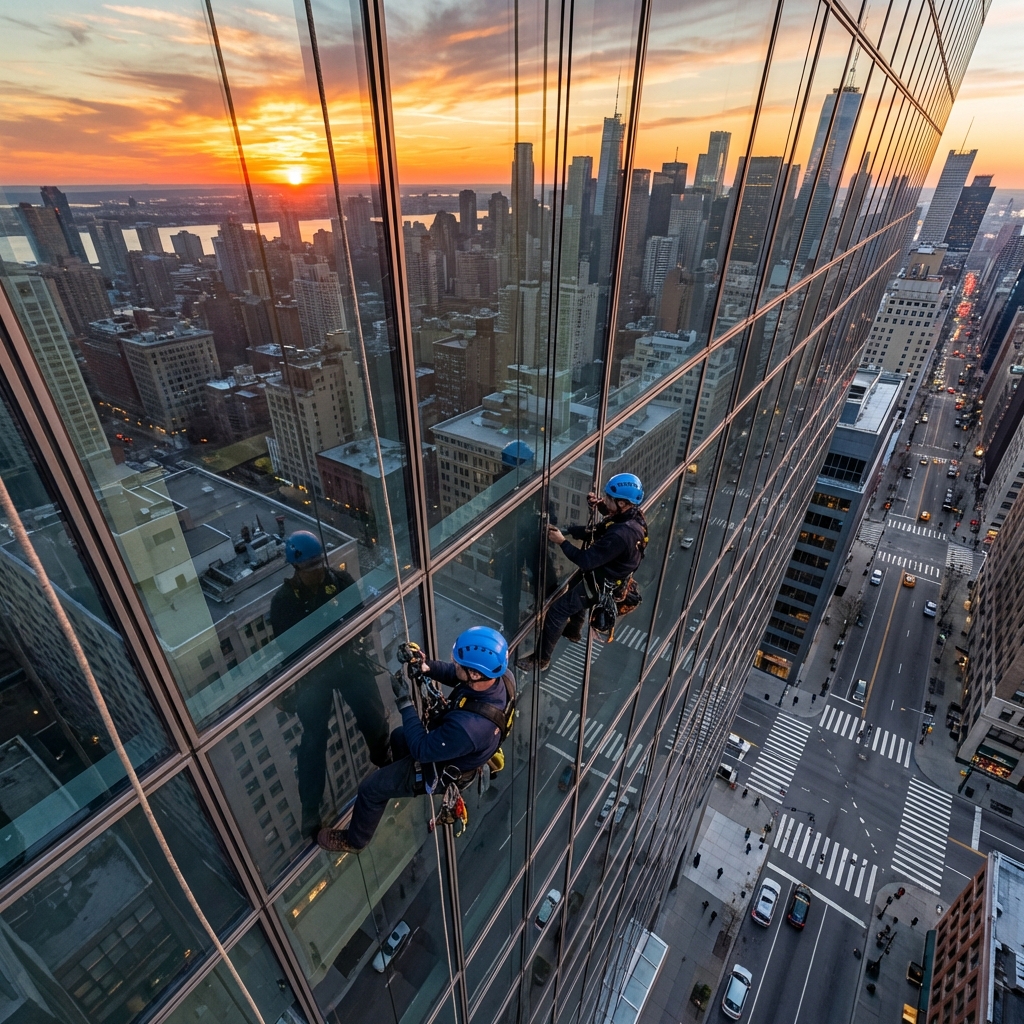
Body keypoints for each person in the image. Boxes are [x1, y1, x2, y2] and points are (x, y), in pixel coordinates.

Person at [317, 626, 515, 853]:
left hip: (438, 768)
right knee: (399, 737)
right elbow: (455, 675)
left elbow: (422, 749)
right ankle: (394, 776)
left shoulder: (471, 727)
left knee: (371, 789)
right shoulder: (500, 677)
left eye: (459, 663)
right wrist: (426, 666)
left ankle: (355, 841)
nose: (454, 663)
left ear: (476, 674)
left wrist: (404, 702)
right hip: (449, 744)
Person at [270, 530, 391, 837]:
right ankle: (310, 809)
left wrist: (359, 629)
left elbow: (362, 621)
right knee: (313, 739)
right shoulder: (284, 602)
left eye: (319, 563)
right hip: (315, 672)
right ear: (295, 568)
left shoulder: (339, 582)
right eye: (310, 567)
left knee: (372, 714)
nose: (318, 570)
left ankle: (384, 760)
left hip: (346, 661)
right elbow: (288, 648)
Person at [516, 474, 647, 671]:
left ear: (622, 503)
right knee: (575, 586)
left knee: (557, 611)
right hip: (608, 573)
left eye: (608, 498)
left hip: (602, 581)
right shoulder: (633, 517)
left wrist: (562, 541)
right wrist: (600, 506)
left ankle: (541, 660)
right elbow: (606, 524)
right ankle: (574, 630)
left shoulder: (620, 535)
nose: (605, 499)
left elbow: (585, 560)